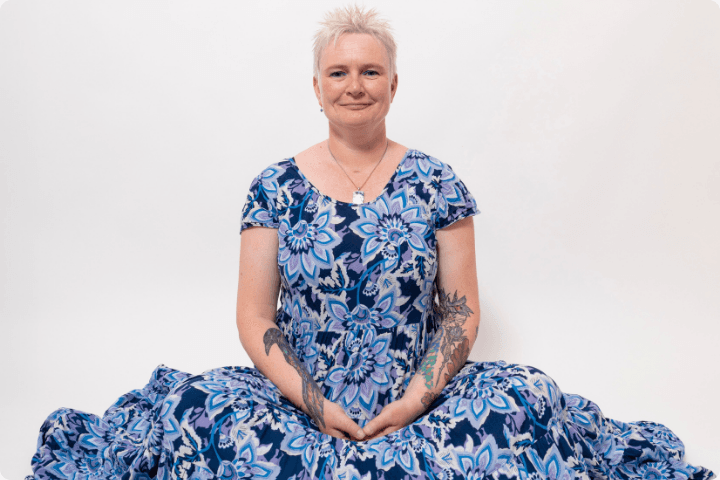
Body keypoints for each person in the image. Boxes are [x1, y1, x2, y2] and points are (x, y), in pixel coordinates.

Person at [26, 5, 714, 480]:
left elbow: (462, 311)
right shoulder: (273, 187)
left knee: (526, 403)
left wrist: (411, 403)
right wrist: (317, 406)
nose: (354, 85)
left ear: (392, 85)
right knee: (199, 415)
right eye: (339, 73)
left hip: (420, 401)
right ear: (317, 89)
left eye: (369, 72)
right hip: (299, 403)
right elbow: (253, 317)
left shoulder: (438, 183)